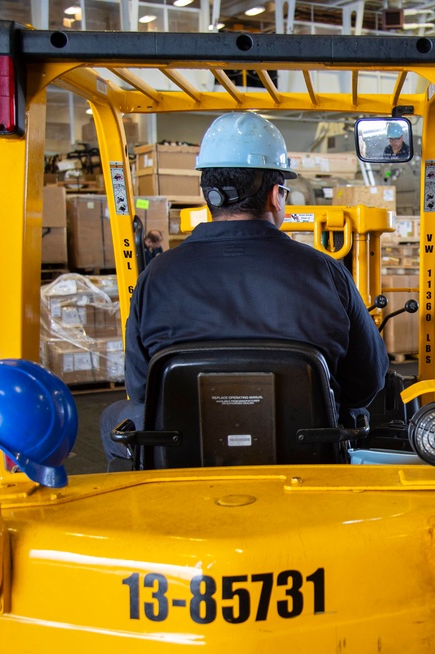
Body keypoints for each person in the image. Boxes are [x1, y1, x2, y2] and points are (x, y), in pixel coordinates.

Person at [101, 111, 389, 470]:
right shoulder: (326, 272)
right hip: (306, 452)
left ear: (207, 193)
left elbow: (143, 388)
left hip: (186, 454)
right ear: (275, 195)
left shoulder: (157, 276)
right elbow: (367, 381)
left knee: (114, 416)